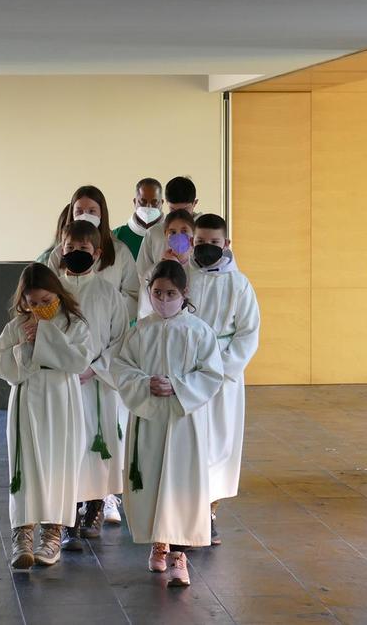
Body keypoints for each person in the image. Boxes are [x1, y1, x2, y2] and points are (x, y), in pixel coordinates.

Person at [112, 260, 224, 588]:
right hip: (148, 418)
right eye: (157, 293)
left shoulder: (199, 331)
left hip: (182, 420)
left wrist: (177, 385)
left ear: (184, 293)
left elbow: (211, 374)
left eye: (170, 293)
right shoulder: (139, 331)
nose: (163, 300)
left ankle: (179, 554)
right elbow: (121, 368)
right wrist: (144, 383)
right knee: (151, 480)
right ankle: (158, 542)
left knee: (180, 484)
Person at [0, 263, 93, 569]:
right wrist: (25, 347)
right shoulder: (18, 326)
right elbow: (0, 364)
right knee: (26, 464)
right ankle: (22, 535)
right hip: (27, 397)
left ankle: (52, 534)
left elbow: (78, 361)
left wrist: (46, 337)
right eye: (32, 302)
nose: (39, 308)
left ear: (58, 294)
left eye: (46, 301)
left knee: (60, 463)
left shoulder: (74, 324)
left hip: (62, 398)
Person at [55, 220, 129, 549]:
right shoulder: (54, 291)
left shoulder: (108, 293)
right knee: (69, 446)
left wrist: (95, 368)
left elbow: (119, 339)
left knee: (98, 446)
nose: (76, 253)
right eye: (70, 248)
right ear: (61, 250)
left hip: (98, 382)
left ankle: (96, 505)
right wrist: (67, 366)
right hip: (63, 382)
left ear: (97, 253)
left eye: (83, 249)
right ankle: (69, 513)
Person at [188, 214, 260, 546]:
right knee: (188, 442)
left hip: (222, 375)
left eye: (214, 243)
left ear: (226, 244)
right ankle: (185, 509)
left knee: (218, 441)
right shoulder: (184, 276)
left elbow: (248, 333)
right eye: (200, 242)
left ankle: (210, 512)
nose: (206, 248)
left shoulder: (239, 284)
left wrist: (221, 369)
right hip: (186, 372)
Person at [47, 186, 139, 319]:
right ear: (72, 214)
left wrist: (105, 310)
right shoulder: (58, 254)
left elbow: (133, 296)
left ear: (101, 213)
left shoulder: (119, 251)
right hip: (67, 324)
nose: (85, 216)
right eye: (79, 211)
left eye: (92, 211)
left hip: (106, 324)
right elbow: (48, 294)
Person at [136, 176, 199, 287]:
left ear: (195, 203)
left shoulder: (205, 232)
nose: (179, 215)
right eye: (173, 210)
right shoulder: (154, 233)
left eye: (185, 210)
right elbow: (142, 274)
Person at [136, 209, 196, 319]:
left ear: (193, 235)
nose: (178, 236)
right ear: (165, 235)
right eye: (172, 232)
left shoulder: (198, 270)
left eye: (184, 231)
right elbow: (145, 312)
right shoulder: (152, 272)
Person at [112, 177, 164, 260]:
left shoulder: (171, 234)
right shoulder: (116, 236)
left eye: (154, 202)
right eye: (143, 202)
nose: (148, 207)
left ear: (161, 203)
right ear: (135, 202)